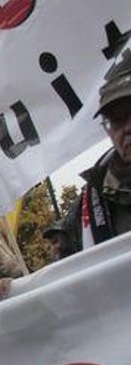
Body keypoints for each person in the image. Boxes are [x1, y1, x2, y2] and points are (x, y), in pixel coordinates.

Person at [64, 51, 131, 250]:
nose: (127, 128)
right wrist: (21, 282)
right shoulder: (85, 211)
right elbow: (69, 274)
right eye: (117, 118)